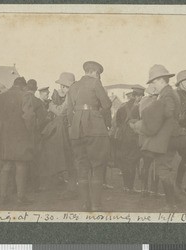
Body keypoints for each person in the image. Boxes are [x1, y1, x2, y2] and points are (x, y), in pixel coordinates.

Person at [131, 64, 182, 211]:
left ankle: (171, 204)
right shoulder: (169, 92)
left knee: (163, 169)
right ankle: (174, 199)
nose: (153, 86)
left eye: (154, 82)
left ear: (160, 80)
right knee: (165, 168)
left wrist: (155, 112)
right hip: (169, 135)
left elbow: (168, 111)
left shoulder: (167, 94)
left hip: (167, 138)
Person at [67, 61, 112, 211]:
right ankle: (96, 204)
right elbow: (106, 104)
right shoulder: (95, 83)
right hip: (94, 128)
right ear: (94, 72)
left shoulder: (73, 86)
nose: (98, 76)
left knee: (82, 166)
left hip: (76, 129)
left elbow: (69, 111)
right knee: (97, 165)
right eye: (98, 74)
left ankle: (85, 203)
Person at [0, 76, 35, 205]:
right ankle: (21, 197)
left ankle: (3, 196)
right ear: (23, 86)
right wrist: (30, 131)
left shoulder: (0, 97)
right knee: (21, 165)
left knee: (6, 166)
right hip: (20, 136)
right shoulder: (25, 96)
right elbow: (29, 117)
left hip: (4, 137)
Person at [40, 72, 76, 198]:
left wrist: (50, 105)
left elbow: (61, 112)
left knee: (70, 159)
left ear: (67, 86)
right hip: (75, 130)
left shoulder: (70, 96)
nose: (61, 89)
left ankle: (72, 189)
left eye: (63, 86)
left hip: (70, 132)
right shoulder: (74, 94)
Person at [115, 86, 145, 193]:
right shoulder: (141, 108)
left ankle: (125, 186)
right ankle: (131, 187)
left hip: (123, 137)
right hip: (134, 137)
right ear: (139, 96)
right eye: (141, 96)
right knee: (133, 161)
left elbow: (117, 122)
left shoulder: (122, 107)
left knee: (124, 161)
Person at [25, 79, 51, 192]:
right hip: (36, 135)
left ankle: (25, 184)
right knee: (36, 160)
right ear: (36, 90)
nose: (48, 94)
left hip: (22, 135)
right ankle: (35, 185)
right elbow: (42, 120)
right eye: (46, 93)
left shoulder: (22, 98)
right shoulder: (37, 102)